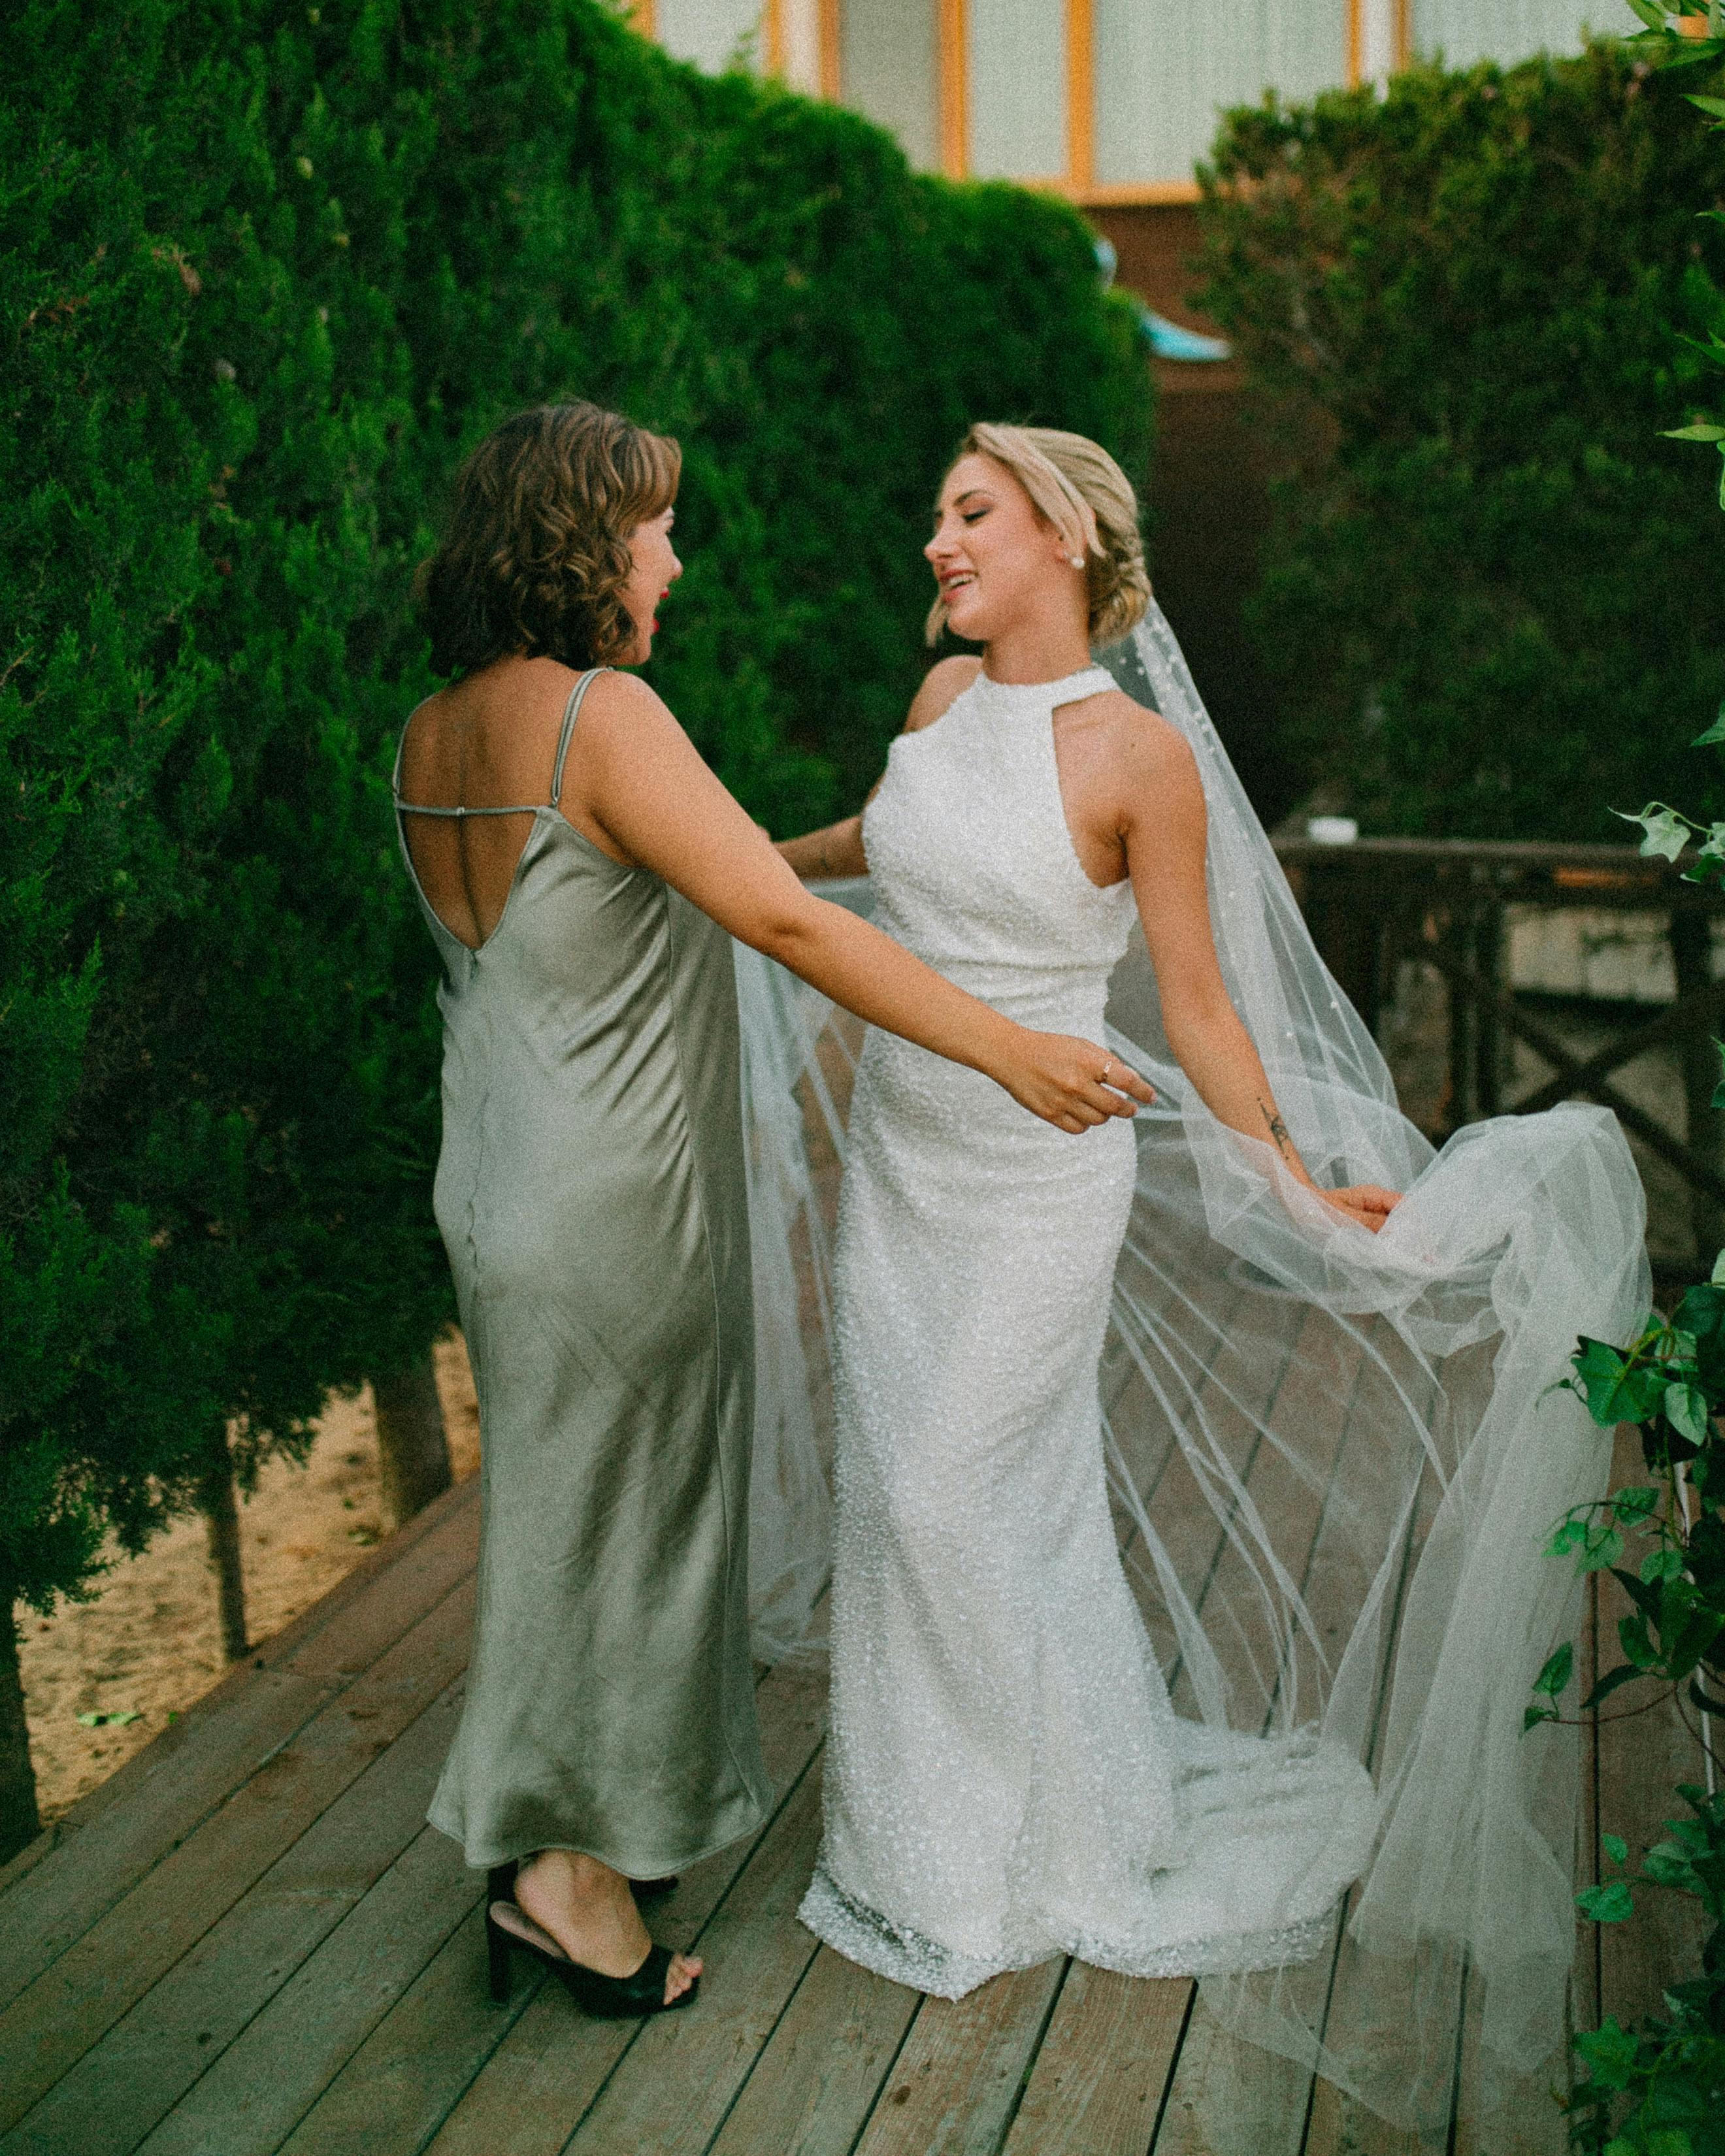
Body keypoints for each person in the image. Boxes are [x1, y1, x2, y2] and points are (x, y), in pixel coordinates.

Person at [764, 423, 1645, 2138]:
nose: (935, 542)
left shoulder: (1141, 758)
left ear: (1068, 530)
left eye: (969, 512)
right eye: (935, 513)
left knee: (958, 1494)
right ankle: (945, 1854)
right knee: (938, 1498)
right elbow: (877, 843)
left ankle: (1046, 1846)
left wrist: (1299, 1184)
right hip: (904, 1174)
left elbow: (1210, 1000)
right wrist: (722, 859)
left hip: (1038, 1180)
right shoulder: (942, 709)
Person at [395, 401, 1151, 2019]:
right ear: (582, 544)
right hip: (617, 1203)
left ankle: (559, 1831)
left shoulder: (434, 728)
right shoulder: (606, 714)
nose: (672, 558)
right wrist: (1012, 1048)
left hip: (494, 1185)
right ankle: (572, 1885)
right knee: (640, 1529)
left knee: (558, 1514)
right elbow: (779, 923)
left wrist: (874, 864)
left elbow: (714, 879)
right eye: (652, 528)